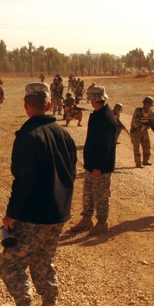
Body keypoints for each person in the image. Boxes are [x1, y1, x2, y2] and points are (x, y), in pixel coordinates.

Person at [0, 82, 77, 306]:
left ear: (26, 106)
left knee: (11, 265)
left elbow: (23, 180)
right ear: (48, 105)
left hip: (33, 215)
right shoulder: (64, 135)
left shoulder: (28, 137)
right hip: (58, 213)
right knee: (44, 262)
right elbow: (71, 174)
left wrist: (11, 214)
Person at [67, 84, 117, 236]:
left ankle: (102, 222)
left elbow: (105, 146)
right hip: (92, 164)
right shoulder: (97, 114)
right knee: (88, 192)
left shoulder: (107, 118)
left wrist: (98, 167)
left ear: (94, 100)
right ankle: (86, 219)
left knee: (101, 195)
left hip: (100, 167)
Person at [129, 96, 154, 168]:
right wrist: (144, 127)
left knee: (147, 146)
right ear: (144, 104)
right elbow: (135, 122)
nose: (148, 106)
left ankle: (145, 161)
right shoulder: (138, 111)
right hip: (135, 131)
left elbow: (153, 121)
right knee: (136, 148)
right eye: (147, 104)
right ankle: (138, 163)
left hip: (144, 132)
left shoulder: (151, 112)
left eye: (150, 105)